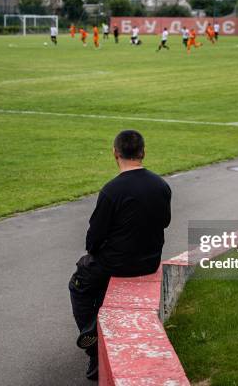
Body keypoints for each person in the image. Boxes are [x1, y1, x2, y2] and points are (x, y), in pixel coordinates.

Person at [69, 130, 171, 381]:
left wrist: (94, 254)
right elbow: (165, 222)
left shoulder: (111, 191)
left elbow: (93, 239)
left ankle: (93, 345)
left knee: (79, 285)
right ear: (143, 152)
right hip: (149, 261)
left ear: (115, 153)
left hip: (116, 264)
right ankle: (97, 330)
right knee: (97, 275)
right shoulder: (161, 185)